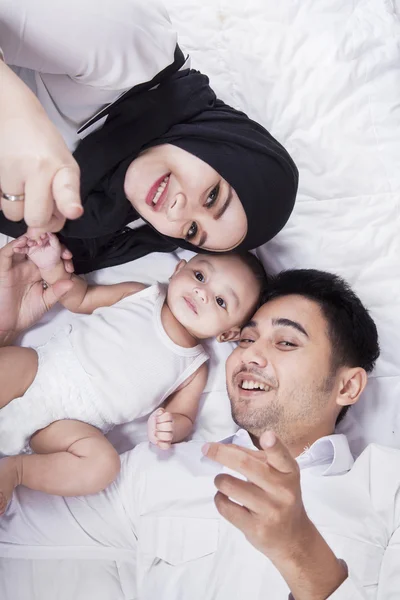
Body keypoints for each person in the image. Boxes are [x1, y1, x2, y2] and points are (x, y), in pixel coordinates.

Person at [1, 260, 399, 599]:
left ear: (347, 386)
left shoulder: (389, 488)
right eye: (246, 338)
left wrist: (300, 551)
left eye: (286, 342)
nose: (251, 354)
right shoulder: (158, 471)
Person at [0, 0, 298, 274]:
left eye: (192, 231)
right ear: (220, 143)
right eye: (212, 196)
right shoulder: (132, 44)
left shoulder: (90, 215)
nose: (176, 212)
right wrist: (14, 113)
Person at [0, 234, 265, 510]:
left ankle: (16, 470)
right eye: (199, 276)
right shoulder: (142, 294)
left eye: (221, 301)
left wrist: (170, 426)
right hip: (42, 369)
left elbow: (184, 416)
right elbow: (80, 297)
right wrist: (51, 266)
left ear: (228, 334)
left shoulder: (195, 366)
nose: (202, 293)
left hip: (72, 426)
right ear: (178, 270)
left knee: (103, 466)